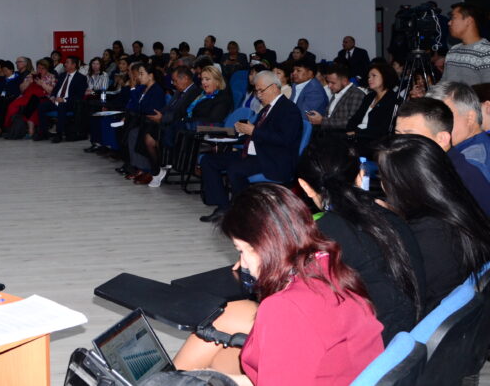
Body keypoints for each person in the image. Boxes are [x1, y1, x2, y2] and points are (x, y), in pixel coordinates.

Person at [174, 184, 383, 384]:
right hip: (338, 376)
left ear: (265, 246)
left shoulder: (285, 308)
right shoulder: (328, 266)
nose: (243, 263)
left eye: (242, 250)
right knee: (215, 364)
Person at [296, 139, 424, 342]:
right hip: (409, 334)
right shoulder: (388, 216)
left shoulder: (322, 236)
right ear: (361, 175)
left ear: (305, 186)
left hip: (374, 344)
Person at [371, 135, 490, 314]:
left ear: (402, 186)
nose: (382, 184)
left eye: (383, 177)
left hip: (428, 317)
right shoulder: (460, 207)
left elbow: (391, 295)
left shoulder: (428, 236)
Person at [199, 71, 302, 222]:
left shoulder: (288, 109)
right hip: (256, 153)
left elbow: (284, 139)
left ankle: (244, 211)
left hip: (272, 158)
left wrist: (253, 131)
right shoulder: (267, 108)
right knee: (209, 161)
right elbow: (258, 133)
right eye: (256, 91)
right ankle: (223, 206)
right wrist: (243, 131)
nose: (258, 95)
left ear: (274, 87)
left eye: (261, 90)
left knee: (235, 169)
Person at [427, 81, 490, 214]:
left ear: (470, 118)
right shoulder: (472, 148)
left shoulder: (472, 161)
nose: (436, 126)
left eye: (445, 117)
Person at [121, 65, 170, 186]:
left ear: (150, 76)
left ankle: (150, 170)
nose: (139, 76)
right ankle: (141, 168)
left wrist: (139, 105)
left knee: (138, 134)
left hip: (154, 124)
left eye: (142, 73)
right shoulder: (143, 88)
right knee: (131, 132)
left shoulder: (156, 90)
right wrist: (134, 90)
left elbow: (150, 110)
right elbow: (135, 104)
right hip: (144, 121)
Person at [347, 62, 399, 152]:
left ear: (385, 77)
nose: (370, 79)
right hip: (358, 137)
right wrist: (351, 131)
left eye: (374, 76)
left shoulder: (393, 100)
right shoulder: (369, 97)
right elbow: (355, 119)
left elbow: (383, 129)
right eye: (369, 77)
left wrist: (356, 133)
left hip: (375, 142)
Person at [35, 56, 88, 142]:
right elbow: (55, 90)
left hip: (69, 103)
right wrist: (53, 97)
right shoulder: (62, 75)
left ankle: (59, 134)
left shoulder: (81, 78)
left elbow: (79, 95)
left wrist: (64, 100)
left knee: (62, 106)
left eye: (67, 62)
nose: (65, 64)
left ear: (74, 65)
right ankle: (43, 133)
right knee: (42, 106)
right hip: (56, 101)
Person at [305, 62, 365, 132]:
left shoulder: (356, 94)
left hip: (341, 136)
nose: (329, 86)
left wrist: (322, 121)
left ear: (344, 81)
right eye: (328, 82)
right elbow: (330, 116)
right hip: (327, 134)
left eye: (333, 83)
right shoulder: (337, 91)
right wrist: (318, 118)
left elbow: (351, 122)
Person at [442, 2, 490, 84]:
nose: (449, 23)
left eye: (453, 18)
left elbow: (486, 90)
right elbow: (444, 84)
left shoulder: (486, 52)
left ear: (468, 21)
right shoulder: (453, 50)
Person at [0, 60, 22, 137]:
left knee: (3, 105)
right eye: (3, 70)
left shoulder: (17, 78)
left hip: (12, 98)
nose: (4, 72)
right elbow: (1, 89)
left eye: (6, 70)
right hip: (3, 97)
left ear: (11, 70)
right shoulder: (4, 79)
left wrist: (3, 94)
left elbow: (16, 91)